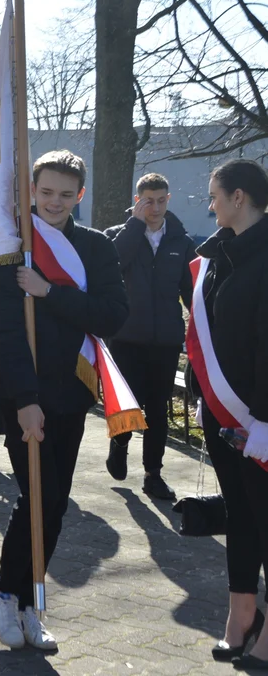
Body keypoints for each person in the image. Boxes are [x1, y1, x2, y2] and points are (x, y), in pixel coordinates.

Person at [0, 150, 128, 651]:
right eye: (45, 192)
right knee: (35, 497)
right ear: (31, 192)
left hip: (71, 394)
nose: (54, 202)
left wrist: (49, 292)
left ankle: (29, 600)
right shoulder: (10, 246)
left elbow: (111, 316)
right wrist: (22, 399)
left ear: (79, 196)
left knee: (57, 505)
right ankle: (5, 590)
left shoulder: (94, 247)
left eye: (66, 194)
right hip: (25, 397)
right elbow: (1, 333)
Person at [184, 160, 268, 669]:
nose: (209, 205)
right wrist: (203, 393)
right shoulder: (217, 255)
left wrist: (264, 418)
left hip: (259, 421)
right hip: (223, 415)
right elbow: (204, 333)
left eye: (214, 196)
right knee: (240, 515)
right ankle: (241, 617)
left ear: (239, 197)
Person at [102, 173, 197, 501]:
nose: (154, 208)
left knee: (157, 408)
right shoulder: (118, 234)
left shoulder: (182, 242)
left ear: (167, 200)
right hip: (126, 337)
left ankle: (153, 475)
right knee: (128, 405)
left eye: (160, 201)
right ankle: (119, 445)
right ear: (137, 202)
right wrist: (135, 226)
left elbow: (190, 291)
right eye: (147, 201)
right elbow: (112, 267)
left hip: (166, 340)